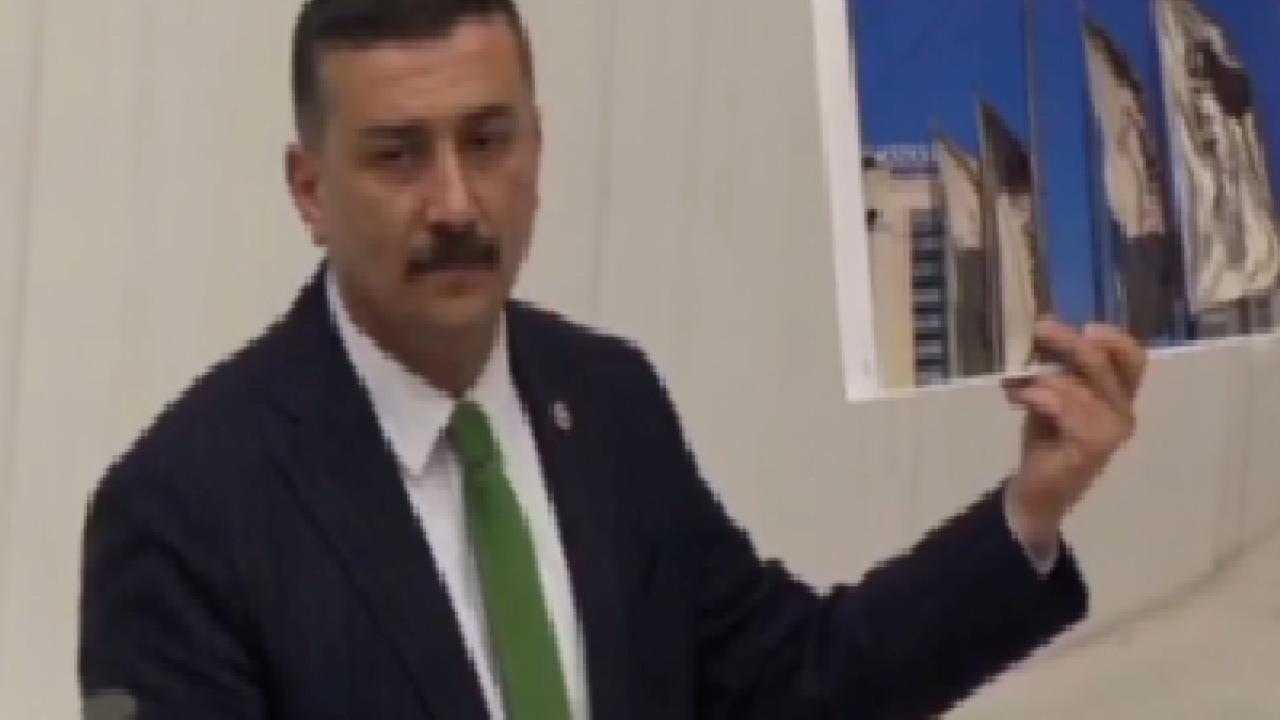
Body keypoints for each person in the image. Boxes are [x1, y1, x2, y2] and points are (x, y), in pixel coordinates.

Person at [78, 0, 1147, 718]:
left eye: (487, 141)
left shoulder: (607, 402)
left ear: (537, 149)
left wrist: (1031, 508)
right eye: (398, 155)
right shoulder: (181, 515)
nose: (455, 202)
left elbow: (792, 685)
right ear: (309, 190)